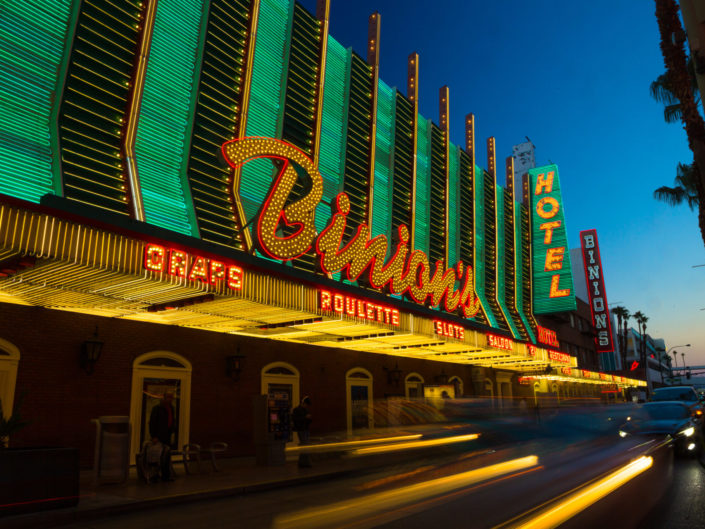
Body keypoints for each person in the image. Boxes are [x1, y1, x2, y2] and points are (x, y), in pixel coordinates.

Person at [149, 391, 177, 481]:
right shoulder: (157, 409)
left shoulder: (171, 408)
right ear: (164, 398)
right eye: (168, 397)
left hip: (167, 435)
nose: (170, 399)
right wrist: (154, 436)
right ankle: (155, 475)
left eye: (171, 398)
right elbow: (152, 423)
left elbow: (171, 420)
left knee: (166, 455)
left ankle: (166, 475)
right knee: (157, 456)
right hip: (159, 435)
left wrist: (172, 430)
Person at [292, 396, 312, 468]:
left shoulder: (304, 410)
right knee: (305, 445)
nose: (306, 406)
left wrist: (309, 419)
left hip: (305, 429)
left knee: (305, 446)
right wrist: (305, 418)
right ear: (303, 403)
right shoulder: (297, 410)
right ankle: (305, 462)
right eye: (306, 404)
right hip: (301, 429)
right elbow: (296, 420)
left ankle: (303, 462)